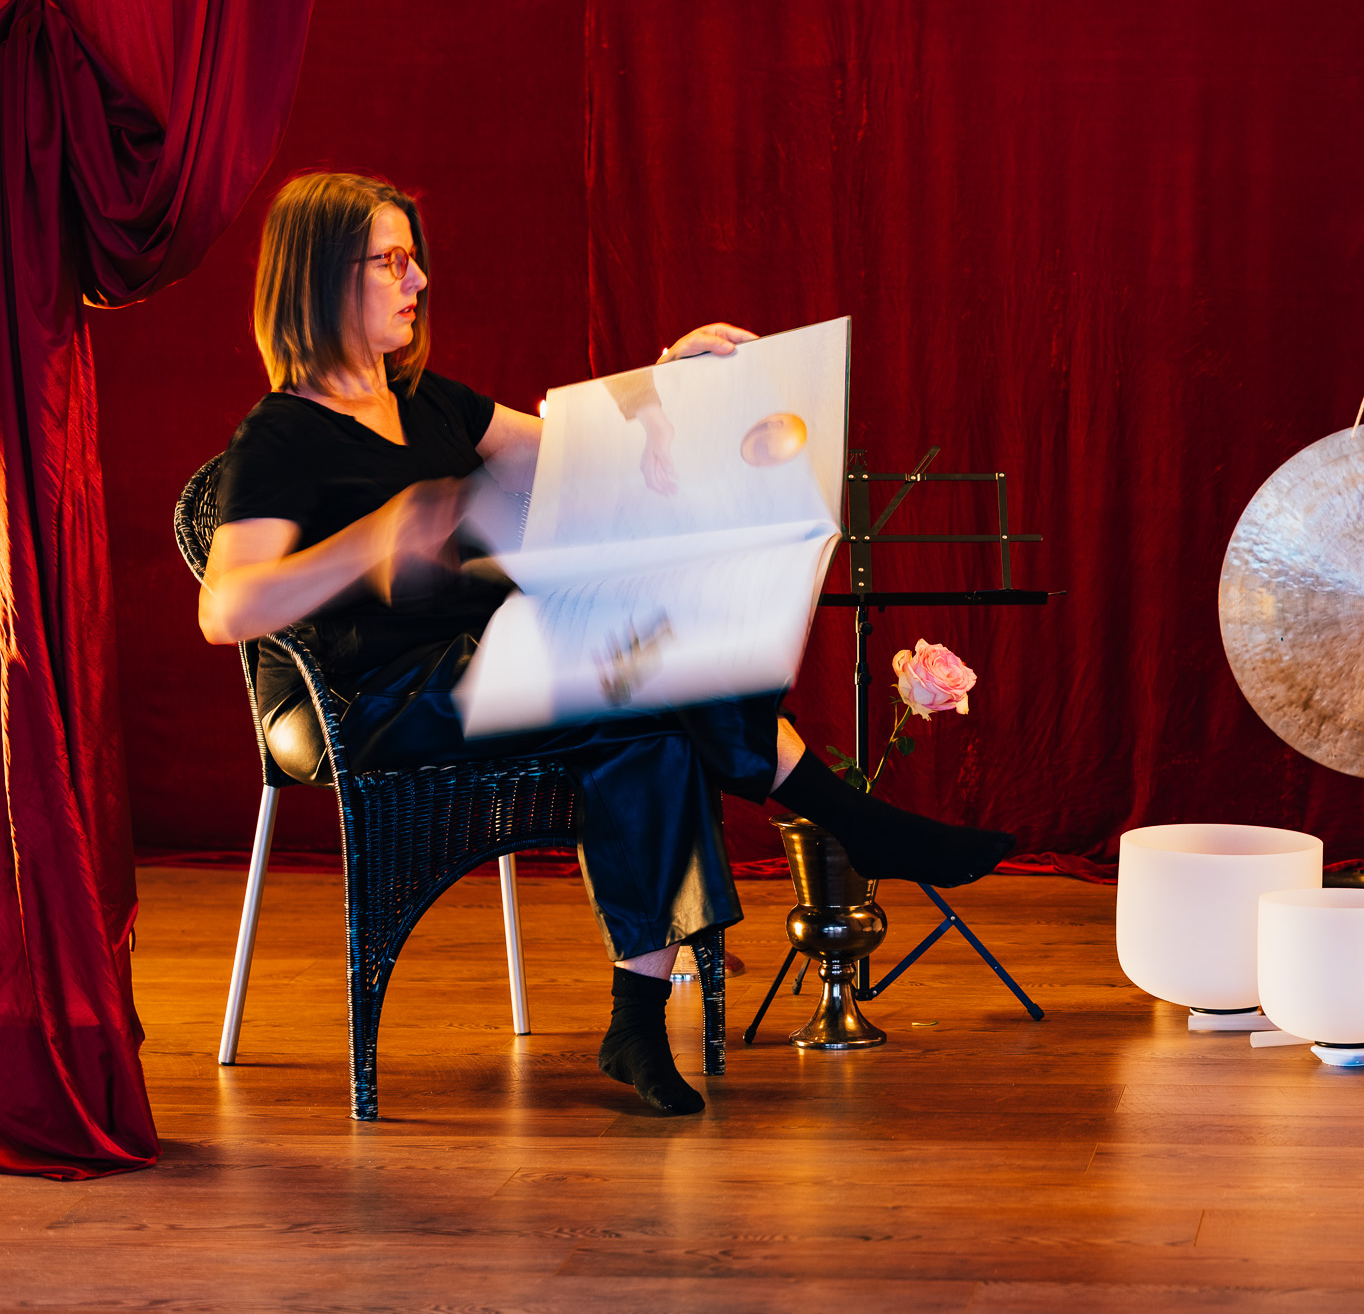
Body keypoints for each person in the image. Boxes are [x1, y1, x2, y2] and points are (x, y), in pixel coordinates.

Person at [198, 172, 1014, 1115]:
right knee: (645, 676)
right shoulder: (283, 435)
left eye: (413, 259)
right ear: (320, 279)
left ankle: (637, 1023)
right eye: (390, 261)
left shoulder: (431, 404)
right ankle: (850, 820)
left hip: (478, 666)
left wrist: (671, 376)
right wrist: (369, 542)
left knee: (653, 719)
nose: (417, 280)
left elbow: (585, 449)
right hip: (358, 697)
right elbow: (227, 609)